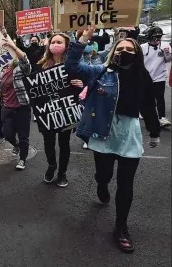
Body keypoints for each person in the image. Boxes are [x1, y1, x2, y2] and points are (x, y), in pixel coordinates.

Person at [65, 25, 160, 253]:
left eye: (129, 48)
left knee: (126, 184)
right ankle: (101, 183)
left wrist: (155, 131)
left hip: (129, 133)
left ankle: (121, 227)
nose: (124, 51)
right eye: (120, 47)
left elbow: (148, 105)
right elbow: (72, 66)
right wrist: (81, 41)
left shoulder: (142, 77)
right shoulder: (100, 71)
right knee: (104, 174)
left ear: (136, 54)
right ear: (113, 52)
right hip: (103, 132)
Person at [35, 33, 84, 188]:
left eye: (59, 41)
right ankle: (51, 166)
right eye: (53, 41)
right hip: (48, 111)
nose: (55, 44)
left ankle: (62, 173)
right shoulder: (42, 63)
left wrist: (81, 85)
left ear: (66, 45)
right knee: (48, 142)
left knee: (64, 143)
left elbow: (86, 81)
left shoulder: (73, 64)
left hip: (66, 110)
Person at [0, 32, 32, 170]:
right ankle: (17, 146)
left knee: (23, 135)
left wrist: (13, 47)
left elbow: (25, 60)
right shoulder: (2, 70)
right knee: (7, 134)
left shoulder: (20, 68)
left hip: (22, 107)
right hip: (6, 107)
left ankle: (22, 159)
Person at [140, 26, 172, 127]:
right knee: (148, 99)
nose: (157, 40)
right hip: (147, 77)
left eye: (159, 37)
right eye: (155, 37)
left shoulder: (165, 45)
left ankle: (161, 117)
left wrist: (166, 53)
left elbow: (168, 60)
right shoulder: (143, 47)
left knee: (160, 98)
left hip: (160, 76)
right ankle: (147, 115)